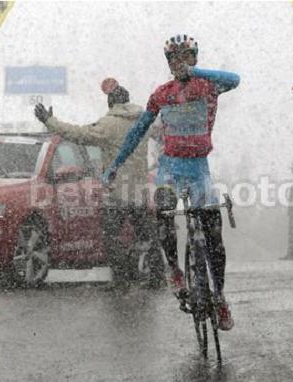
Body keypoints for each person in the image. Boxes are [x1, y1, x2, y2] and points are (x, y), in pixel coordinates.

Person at [102, 34, 240, 330]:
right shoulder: (162, 93)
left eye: (185, 56)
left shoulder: (209, 85)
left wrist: (195, 73)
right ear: (168, 62)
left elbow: (235, 79)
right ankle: (175, 270)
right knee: (164, 208)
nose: (179, 63)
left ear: (194, 58)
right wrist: (115, 165)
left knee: (214, 233)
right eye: (174, 58)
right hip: (170, 168)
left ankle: (220, 296)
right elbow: (137, 132)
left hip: (199, 169)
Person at [34, 79, 155, 281]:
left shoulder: (108, 124)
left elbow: (79, 134)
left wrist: (50, 121)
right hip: (139, 190)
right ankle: (155, 276)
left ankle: (122, 278)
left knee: (112, 237)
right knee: (146, 236)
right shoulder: (143, 121)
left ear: (111, 103)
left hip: (116, 192)